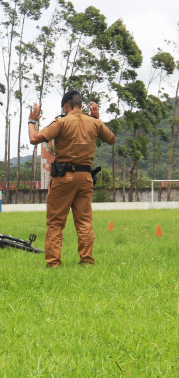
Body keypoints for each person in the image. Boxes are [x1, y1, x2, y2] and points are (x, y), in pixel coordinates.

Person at [28, 91, 115, 268]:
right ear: (81, 105)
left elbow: (34, 139)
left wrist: (32, 121)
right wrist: (97, 119)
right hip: (86, 178)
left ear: (66, 105)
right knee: (84, 222)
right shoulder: (94, 123)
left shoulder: (62, 121)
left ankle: (53, 263)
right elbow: (111, 139)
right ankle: (86, 261)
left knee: (55, 223)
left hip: (64, 178)